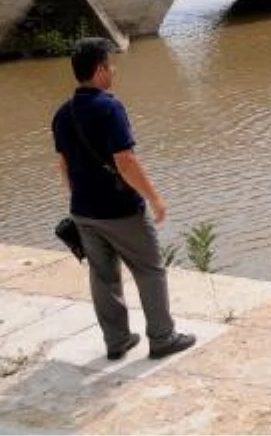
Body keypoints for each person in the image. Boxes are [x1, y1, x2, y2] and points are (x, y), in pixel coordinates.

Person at [51, 38, 195, 361]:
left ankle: (116, 341)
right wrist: (155, 199)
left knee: (103, 277)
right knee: (150, 270)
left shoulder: (63, 114)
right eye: (110, 65)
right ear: (100, 70)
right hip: (120, 210)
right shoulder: (109, 107)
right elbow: (125, 161)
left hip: (84, 212)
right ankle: (162, 338)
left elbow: (62, 164)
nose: (114, 70)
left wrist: (78, 197)